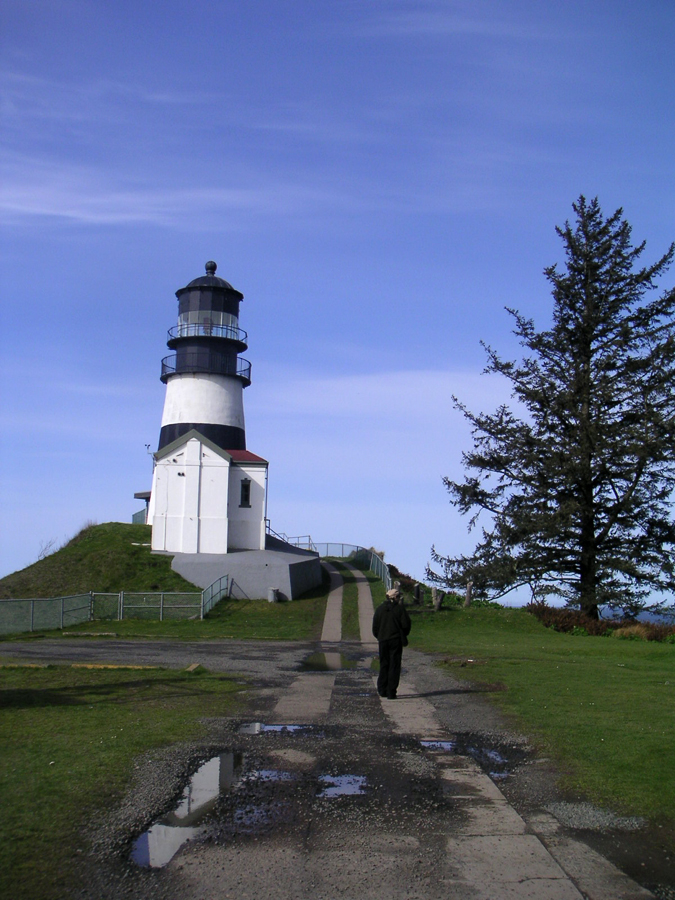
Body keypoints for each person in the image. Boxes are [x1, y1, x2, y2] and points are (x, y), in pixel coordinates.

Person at [372, 586, 411, 700]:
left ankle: (382, 689)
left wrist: (379, 636)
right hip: (395, 640)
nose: (399, 599)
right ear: (395, 598)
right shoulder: (400, 610)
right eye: (398, 597)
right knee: (394, 665)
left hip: (383, 640)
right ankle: (391, 691)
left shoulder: (380, 609)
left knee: (384, 664)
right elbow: (406, 625)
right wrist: (403, 634)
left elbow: (375, 627)